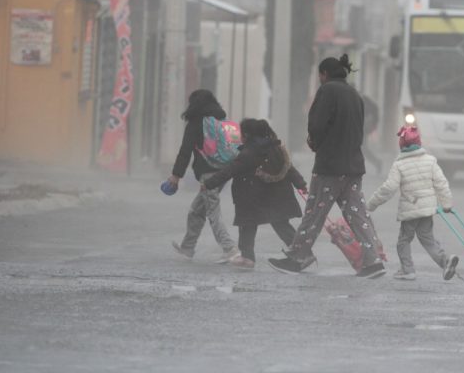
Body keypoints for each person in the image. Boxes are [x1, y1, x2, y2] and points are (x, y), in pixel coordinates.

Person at [268, 54, 386, 279]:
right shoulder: (355, 95)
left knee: (314, 213)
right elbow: (360, 130)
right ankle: (373, 262)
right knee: (358, 216)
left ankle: (297, 257)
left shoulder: (328, 91)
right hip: (352, 166)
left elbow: (317, 124)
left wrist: (315, 142)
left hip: (330, 166)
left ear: (323, 74)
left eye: (319, 75)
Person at [202, 119, 307, 269]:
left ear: (246, 134)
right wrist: (301, 184)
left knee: (247, 224)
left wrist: (208, 184)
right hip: (274, 195)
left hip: (251, 196)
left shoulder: (249, 152)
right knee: (280, 223)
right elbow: (289, 168)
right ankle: (302, 252)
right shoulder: (275, 148)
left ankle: (247, 258)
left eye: (241, 133)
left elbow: (230, 170)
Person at [366, 125, 459, 281]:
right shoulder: (430, 161)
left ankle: (407, 270)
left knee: (403, 241)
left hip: (410, 210)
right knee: (428, 240)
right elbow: (441, 183)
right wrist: (447, 203)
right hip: (427, 210)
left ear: (401, 145)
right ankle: (445, 262)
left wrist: (371, 204)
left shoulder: (399, 165)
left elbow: (389, 188)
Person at [165, 89, 240, 263]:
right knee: (196, 211)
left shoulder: (195, 123)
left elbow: (185, 152)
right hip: (224, 172)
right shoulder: (221, 121)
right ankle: (187, 248)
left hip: (208, 173)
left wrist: (176, 176)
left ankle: (230, 249)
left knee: (213, 212)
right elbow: (236, 145)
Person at [360, 94, 383, 174]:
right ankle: (377, 163)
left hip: (361, 129)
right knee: (362, 149)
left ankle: (377, 163)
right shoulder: (363, 99)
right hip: (362, 128)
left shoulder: (362, 100)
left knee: (362, 149)